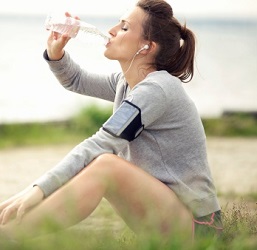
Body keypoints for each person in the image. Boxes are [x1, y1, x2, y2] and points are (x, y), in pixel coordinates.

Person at [0, 0, 222, 243]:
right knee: (103, 163)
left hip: (198, 229)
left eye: (124, 27)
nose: (111, 31)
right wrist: (56, 54)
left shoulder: (157, 90)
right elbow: (77, 80)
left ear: (147, 46)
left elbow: (101, 144)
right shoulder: (127, 83)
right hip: (167, 214)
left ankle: (9, 238)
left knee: (106, 165)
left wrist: (38, 189)